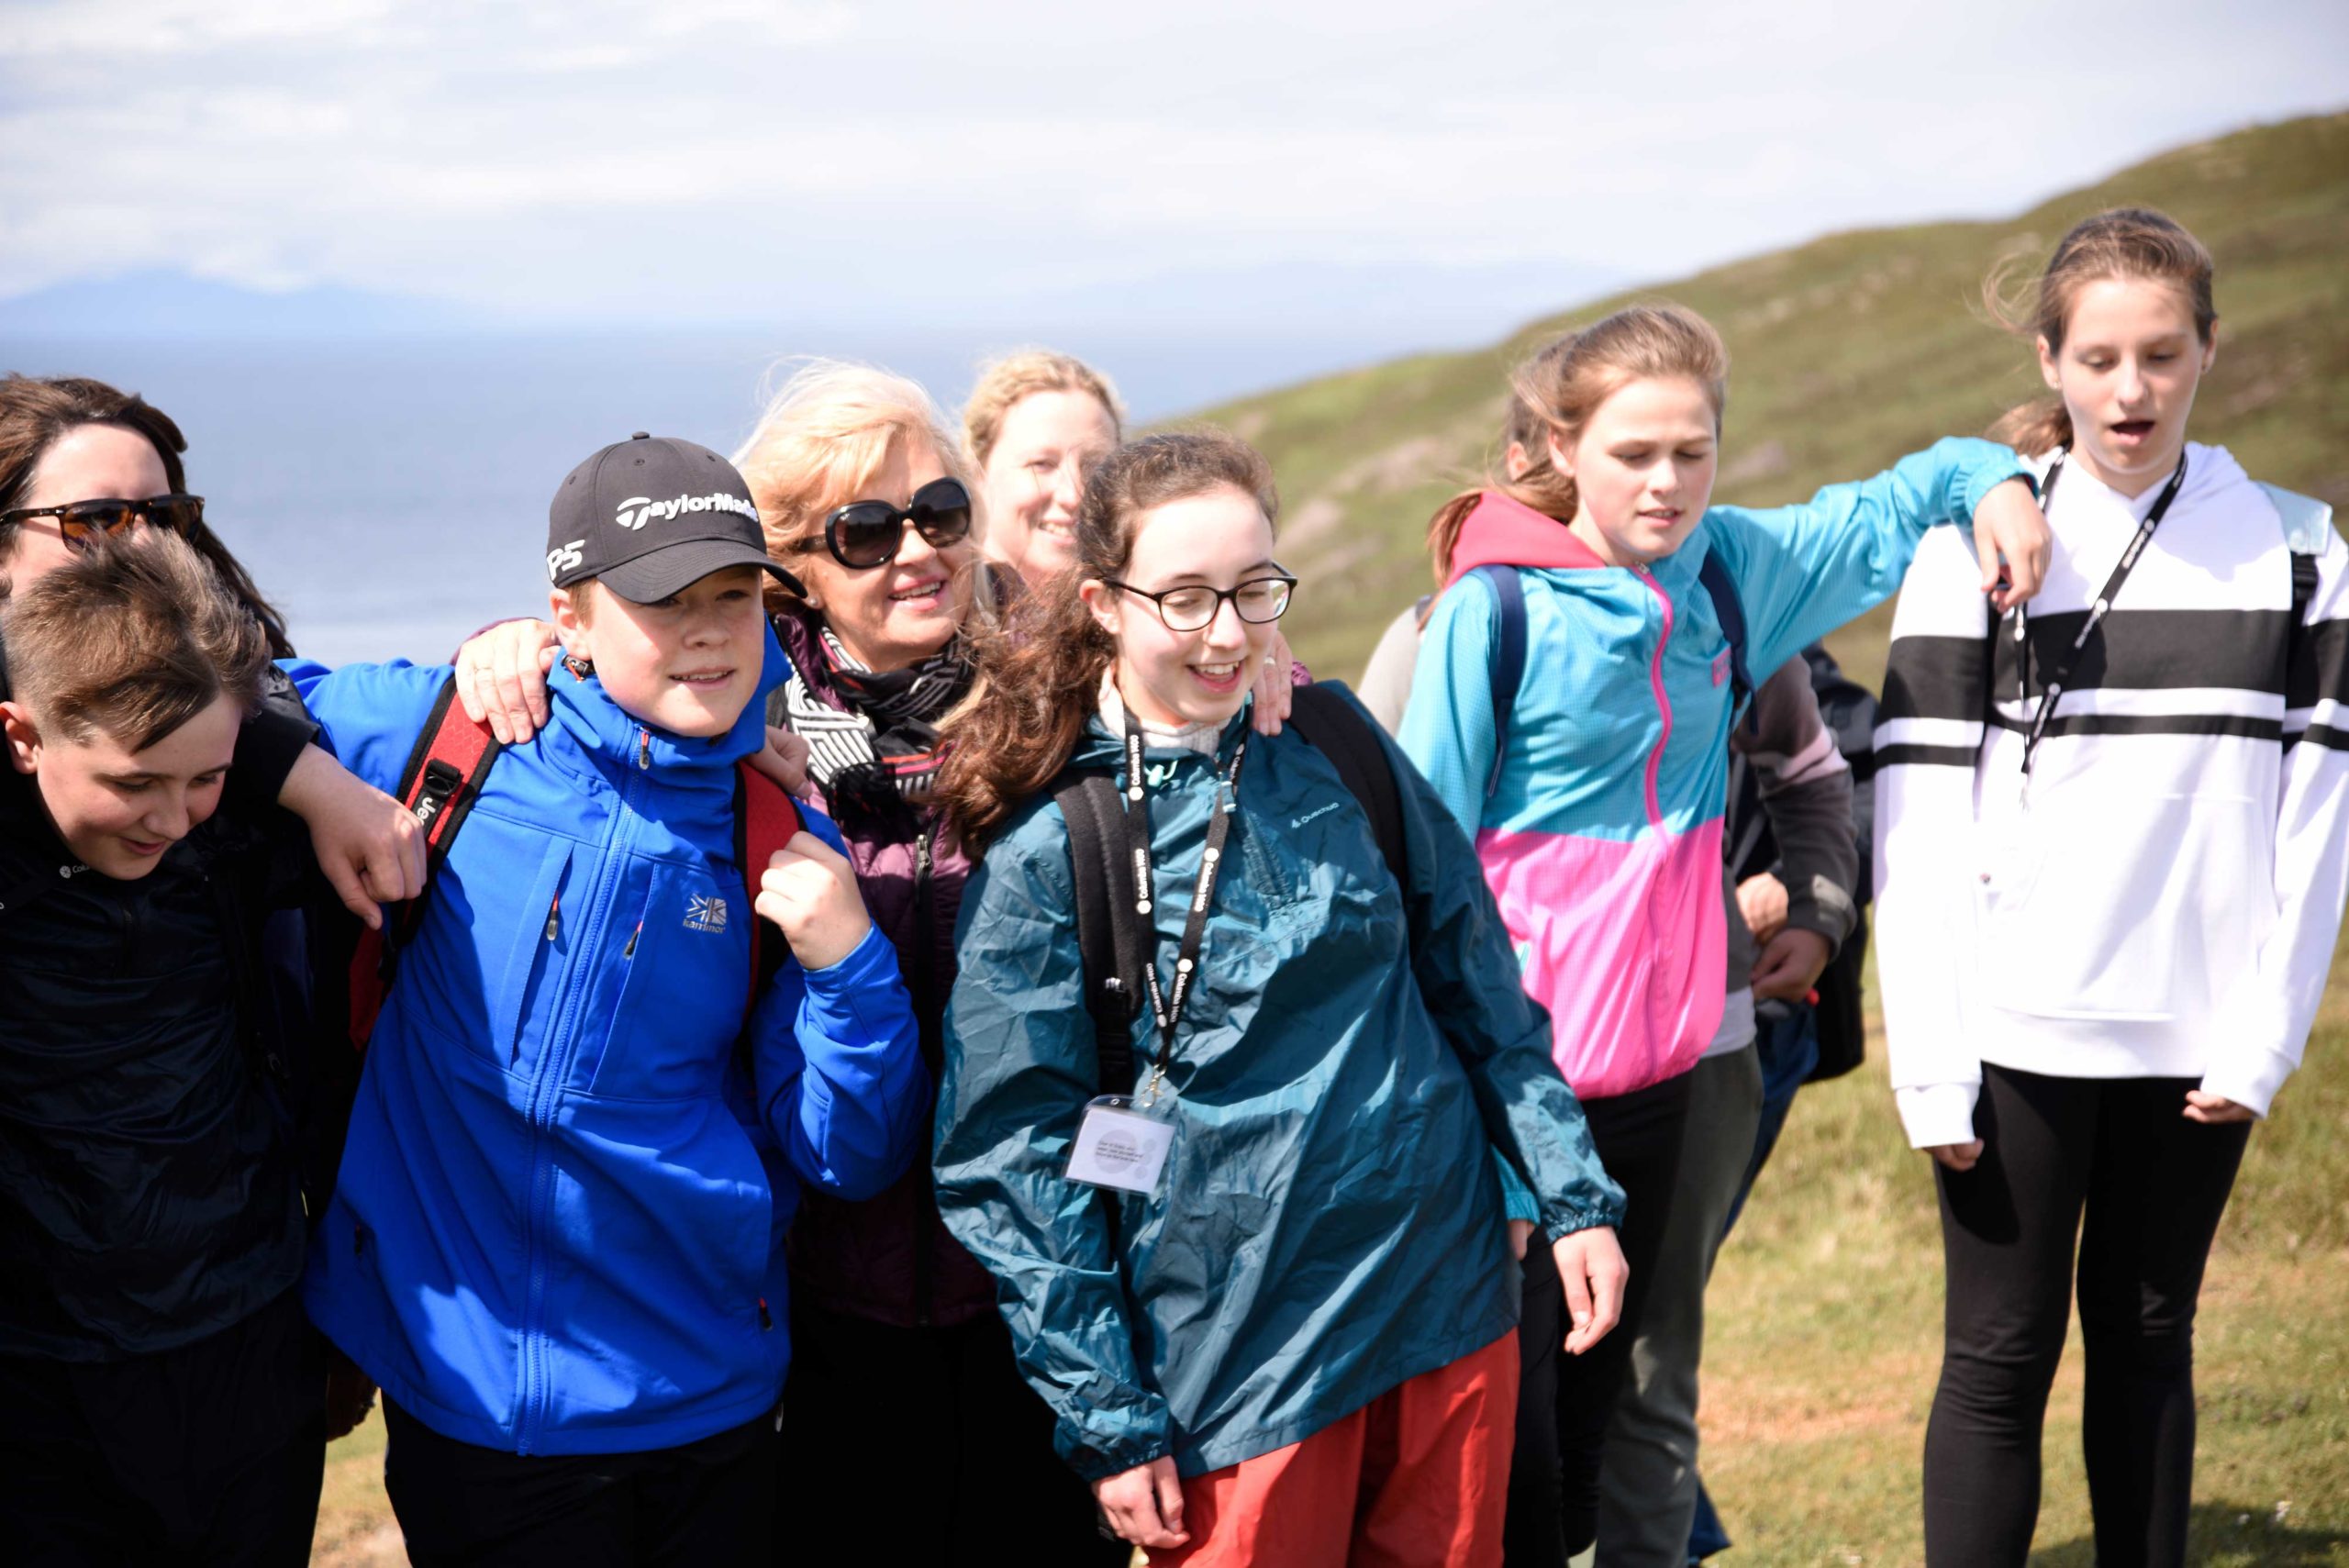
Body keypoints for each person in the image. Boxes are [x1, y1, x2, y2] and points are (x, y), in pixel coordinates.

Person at [1397, 302, 2050, 1564]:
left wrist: (2000, 481)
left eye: (1692, 451)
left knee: (1654, 1386)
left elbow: (1906, 491)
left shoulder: (1734, 567)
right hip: (1524, 1081)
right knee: (1514, 1407)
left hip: (1698, 1064)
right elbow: (1426, 862)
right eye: (1635, 452)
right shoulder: (1498, 613)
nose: (1667, 481)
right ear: (1561, 442)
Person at [932, 429, 1629, 1566]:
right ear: (1105, 603)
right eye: (1187, 595)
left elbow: (1477, 981)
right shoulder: (1055, 845)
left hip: (1440, 1294)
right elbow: (1010, 1161)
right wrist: (1108, 1416)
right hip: (1232, 1351)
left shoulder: (1337, 740)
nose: (1225, 632)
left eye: (1254, 589)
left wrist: (1569, 1191)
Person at [291, 432, 930, 1563]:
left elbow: (847, 1151)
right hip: (477, 1399)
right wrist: (312, 785)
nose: (705, 629)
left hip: (708, 1397)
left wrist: (850, 965)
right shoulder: (453, 734)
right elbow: (217, 688)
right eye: (662, 598)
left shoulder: (780, 824)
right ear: (567, 618)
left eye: (733, 597)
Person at [1873, 206, 2349, 1568]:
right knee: (1998, 1356)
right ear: (2051, 357)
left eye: (2160, 354)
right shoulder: (1968, 551)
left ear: (2209, 350)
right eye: (2097, 358)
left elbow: (2317, 826)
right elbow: (1913, 819)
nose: (2129, 391)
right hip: (2014, 1033)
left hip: (2197, 1037)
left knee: (2149, 1340)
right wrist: (1929, 1060)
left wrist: (2265, 1038)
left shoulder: (2304, 552)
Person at [0, 531, 320, 1565]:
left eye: (205, 778)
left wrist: (512, 645)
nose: (170, 818)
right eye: (133, 782)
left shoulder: (235, 836)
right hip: (38, 1380)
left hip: (247, 1343)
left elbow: (367, 702)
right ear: (21, 735)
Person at [0, 373, 428, 933]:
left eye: (163, 516)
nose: (147, 545)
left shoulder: (245, 686)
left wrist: (507, 644)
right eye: (97, 519)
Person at [963, 348, 1126, 585]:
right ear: (977, 475)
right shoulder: (941, 618)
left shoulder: (1144, 613)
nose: (1073, 496)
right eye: (1041, 464)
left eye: (1094, 467)